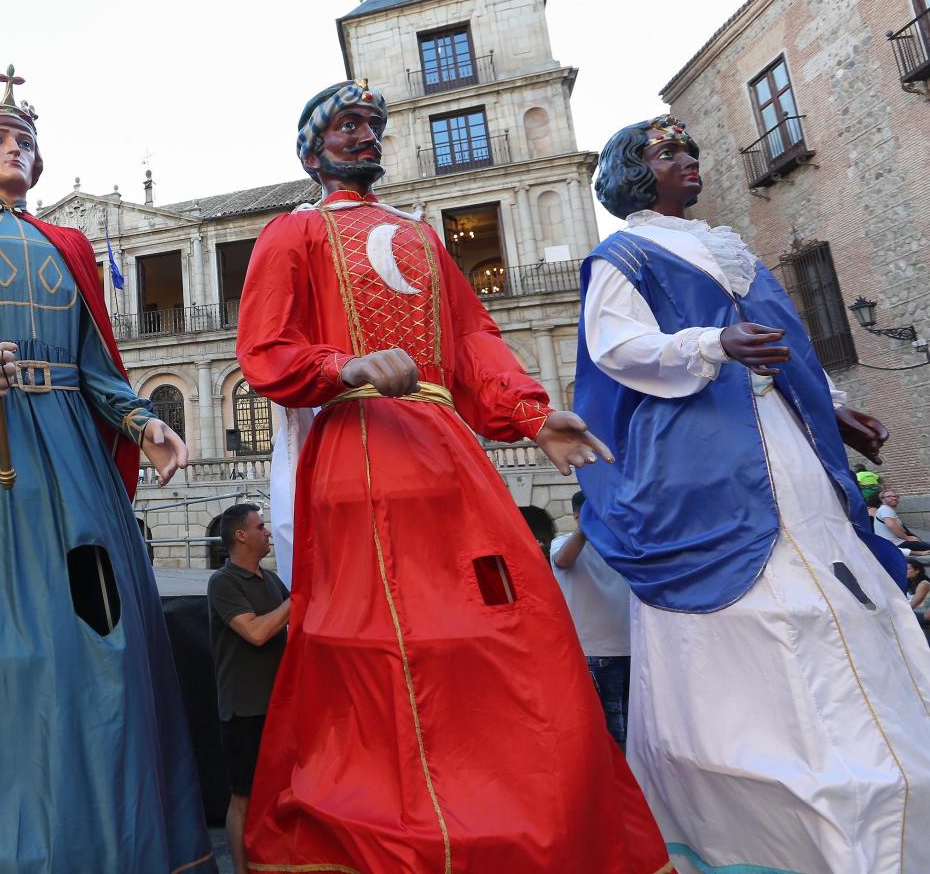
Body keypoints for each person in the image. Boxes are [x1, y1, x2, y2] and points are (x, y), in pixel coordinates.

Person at [235, 79, 668, 872]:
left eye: (372, 126)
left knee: (513, 626)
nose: (365, 137)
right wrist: (346, 364)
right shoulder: (290, 233)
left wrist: (535, 414)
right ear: (311, 149)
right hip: (355, 450)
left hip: (446, 448)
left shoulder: (424, 238)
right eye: (346, 126)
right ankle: (398, 821)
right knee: (377, 640)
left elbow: (471, 341)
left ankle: (515, 810)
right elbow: (265, 348)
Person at [575, 114, 930, 873]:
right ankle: (760, 818)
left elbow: (788, 345)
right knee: (757, 609)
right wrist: (712, 344)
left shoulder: (733, 248)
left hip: (787, 442)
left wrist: (831, 409)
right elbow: (617, 348)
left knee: (837, 592)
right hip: (703, 457)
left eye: (690, 148)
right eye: (666, 152)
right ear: (634, 173)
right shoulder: (623, 254)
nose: (687, 160)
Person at [0, 67, 215, 873]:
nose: (14, 150)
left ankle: (108, 832)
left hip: (72, 448)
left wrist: (145, 421)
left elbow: (97, 364)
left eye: (26, 141)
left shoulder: (69, 247)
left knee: (99, 632)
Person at [206, 502, 290, 873]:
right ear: (241, 536)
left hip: (278, 708)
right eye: (260, 527)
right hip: (244, 710)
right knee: (243, 796)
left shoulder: (270, 580)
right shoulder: (222, 583)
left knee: (278, 793)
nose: (268, 532)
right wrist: (297, 600)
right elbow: (256, 632)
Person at [547, 490, 632, 747]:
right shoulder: (561, 543)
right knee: (611, 736)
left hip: (634, 650)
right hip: (595, 655)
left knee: (634, 731)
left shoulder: (622, 546)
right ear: (576, 516)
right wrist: (586, 530)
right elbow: (562, 561)